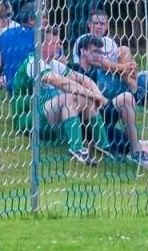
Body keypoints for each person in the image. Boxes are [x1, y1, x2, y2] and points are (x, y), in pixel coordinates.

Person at [10, 28, 107, 164]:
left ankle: (105, 146)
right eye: (54, 43)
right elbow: (61, 82)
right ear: (41, 44)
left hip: (48, 115)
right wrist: (94, 95)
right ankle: (76, 149)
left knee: (85, 99)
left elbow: (84, 79)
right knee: (68, 97)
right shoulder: (33, 63)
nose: (59, 46)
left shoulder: (54, 64)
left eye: (59, 42)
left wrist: (96, 94)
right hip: (29, 121)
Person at [72, 34, 147, 164]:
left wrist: (130, 71)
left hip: (103, 117)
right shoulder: (73, 69)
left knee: (135, 142)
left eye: (100, 52)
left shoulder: (97, 71)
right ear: (83, 51)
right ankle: (135, 152)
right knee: (126, 99)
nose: (98, 56)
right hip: (87, 123)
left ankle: (136, 152)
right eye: (95, 51)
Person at [73, 9, 148, 104]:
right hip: (96, 81)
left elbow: (119, 63)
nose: (99, 27)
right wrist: (124, 67)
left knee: (124, 50)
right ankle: (137, 93)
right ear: (89, 24)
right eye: (96, 23)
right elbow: (99, 63)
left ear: (107, 26)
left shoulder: (110, 42)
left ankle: (136, 91)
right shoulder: (84, 40)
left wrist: (131, 67)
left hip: (115, 79)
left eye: (102, 24)